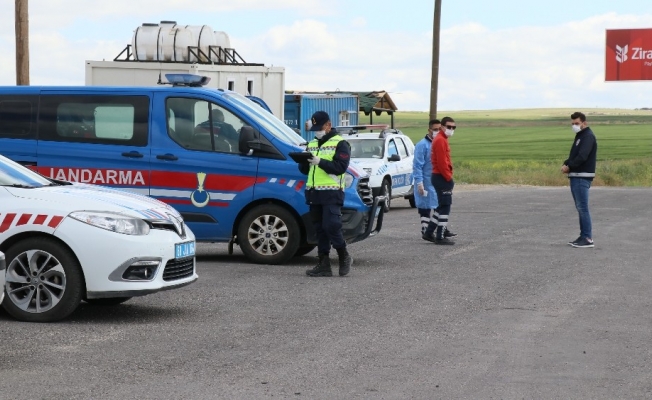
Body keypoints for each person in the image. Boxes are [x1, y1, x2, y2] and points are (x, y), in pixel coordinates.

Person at [298, 111, 353, 277]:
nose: (317, 131)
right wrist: (303, 160)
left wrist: (319, 161)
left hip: (332, 192)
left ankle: (344, 255)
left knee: (332, 226)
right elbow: (304, 170)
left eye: (320, 127)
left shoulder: (341, 143)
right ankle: (323, 263)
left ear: (328, 125)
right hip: (314, 192)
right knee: (319, 229)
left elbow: (340, 167)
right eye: (315, 128)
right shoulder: (312, 143)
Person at [561, 111, 597, 248]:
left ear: (584, 123)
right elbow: (574, 155)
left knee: (583, 208)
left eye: (577, 123)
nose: (574, 126)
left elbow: (582, 157)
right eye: (572, 124)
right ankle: (583, 236)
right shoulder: (580, 136)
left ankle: (587, 238)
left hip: (582, 176)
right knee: (580, 207)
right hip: (576, 176)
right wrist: (566, 163)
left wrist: (569, 166)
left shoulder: (587, 137)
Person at [422, 116, 457, 245]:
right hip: (441, 176)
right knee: (445, 206)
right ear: (442, 127)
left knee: (441, 206)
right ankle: (440, 235)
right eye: (449, 127)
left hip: (438, 176)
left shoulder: (441, 139)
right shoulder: (441, 140)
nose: (451, 129)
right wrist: (448, 178)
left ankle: (429, 232)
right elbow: (442, 163)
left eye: (453, 127)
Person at [413, 119, 441, 235]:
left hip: (436, 180)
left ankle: (440, 228)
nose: (437, 132)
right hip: (425, 180)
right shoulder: (422, 145)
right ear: (429, 130)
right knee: (425, 206)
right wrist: (419, 182)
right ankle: (426, 228)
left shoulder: (439, 143)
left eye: (439, 129)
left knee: (439, 205)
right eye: (435, 129)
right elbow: (417, 165)